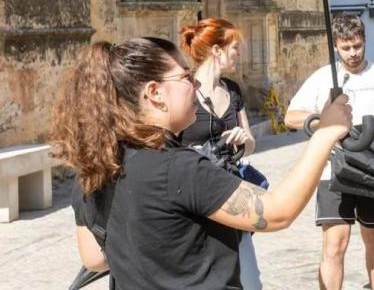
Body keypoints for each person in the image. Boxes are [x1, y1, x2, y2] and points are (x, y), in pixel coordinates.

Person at [52, 37, 353, 290]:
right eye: (185, 76)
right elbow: (276, 213)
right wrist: (324, 134)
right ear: (155, 93)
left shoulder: (94, 168)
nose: (195, 83)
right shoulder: (178, 169)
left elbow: (94, 257)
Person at [284, 14, 374, 290]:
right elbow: (291, 117)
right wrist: (323, 119)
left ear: (364, 42)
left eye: (358, 46)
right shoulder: (323, 77)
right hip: (333, 171)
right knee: (334, 244)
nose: (353, 53)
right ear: (336, 46)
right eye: (346, 48)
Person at [178, 18, 261, 289]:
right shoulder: (184, 91)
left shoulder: (233, 90)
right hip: (194, 195)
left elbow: (250, 143)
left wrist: (243, 140)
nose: (239, 54)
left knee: (249, 280)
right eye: (235, 48)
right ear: (217, 50)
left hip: (231, 190)